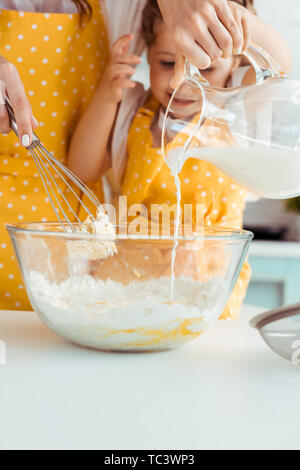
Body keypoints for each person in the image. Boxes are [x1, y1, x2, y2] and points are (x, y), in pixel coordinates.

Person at [1, 0, 283, 311]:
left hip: (206, 301)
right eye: (166, 63)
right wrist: (107, 97)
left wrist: (230, 19)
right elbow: (83, 169)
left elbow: (279, 64)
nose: (180, 82)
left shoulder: (239, 113)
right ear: (147, 52)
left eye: (204, 67)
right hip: (124, 297)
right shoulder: (133, 111)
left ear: (235, 65)